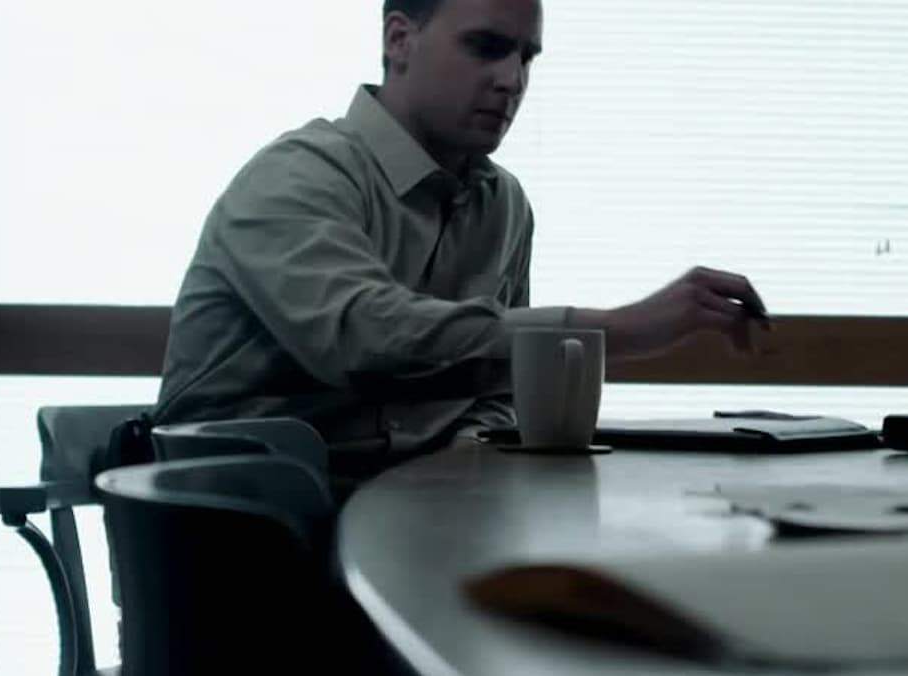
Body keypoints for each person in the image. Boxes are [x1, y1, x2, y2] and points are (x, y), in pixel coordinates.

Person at [152, 0, 771, 477]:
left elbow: (495, 394)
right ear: (399, 40)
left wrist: (468, 467)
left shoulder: (505, 206)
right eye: (486, 47)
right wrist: (613, 329)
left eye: (527, 57)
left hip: (403, 517)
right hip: (246, 525)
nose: (512, 79)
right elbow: (365, 338)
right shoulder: (296, 176)